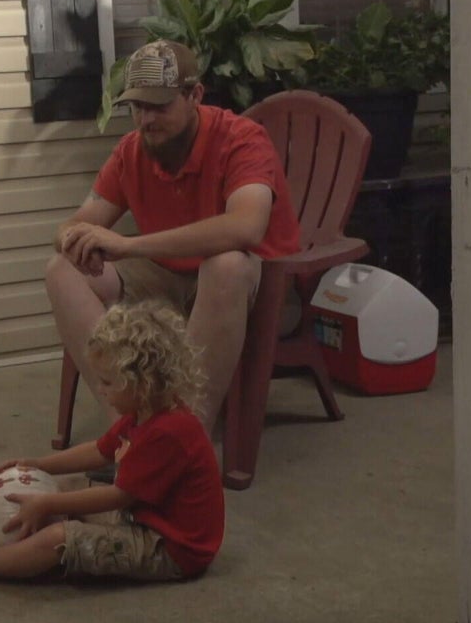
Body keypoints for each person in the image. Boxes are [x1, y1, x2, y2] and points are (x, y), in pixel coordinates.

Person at [46, 39, 301, 435]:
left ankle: (183, 437)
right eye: (137, 107)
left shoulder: (241, 139)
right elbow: (77, 222)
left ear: (194, 95)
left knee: (226, 263)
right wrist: (75, 240)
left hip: (260, 291)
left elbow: (245, 227)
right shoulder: (132, 150)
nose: (146, 119)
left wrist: (128, 246)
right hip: (170, 282)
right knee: (63, 270)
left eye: (159, 106)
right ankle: (129, 432)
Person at [0, 300, 223, 583]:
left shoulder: (170, 431)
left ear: (143, 383)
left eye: (108, 382)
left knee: (58, 537)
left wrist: (49, 504)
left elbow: (119, 496)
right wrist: (39, 465)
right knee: (58, 486)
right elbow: (99, 450)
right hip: (143, 515)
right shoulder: (144, 411)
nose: (102, 391)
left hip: (168, 548)